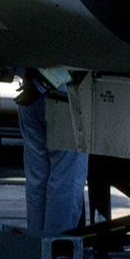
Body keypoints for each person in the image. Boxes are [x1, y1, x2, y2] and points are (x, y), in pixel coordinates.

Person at [16, 68, 86, 235]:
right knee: (66, 178)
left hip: (29, 90)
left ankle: (36, 245)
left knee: (36, 179)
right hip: (62, 90)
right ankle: (57, 248)